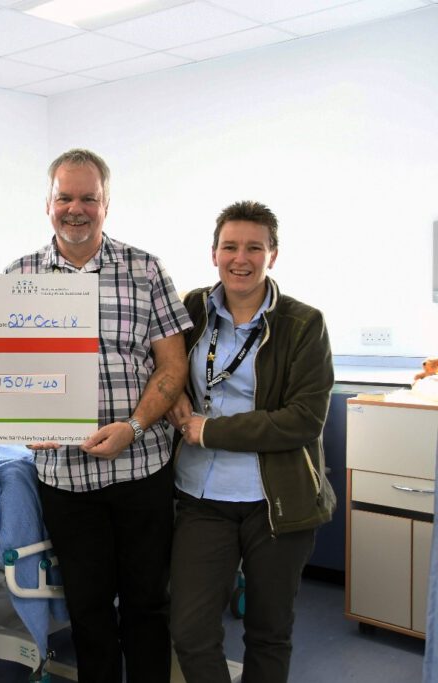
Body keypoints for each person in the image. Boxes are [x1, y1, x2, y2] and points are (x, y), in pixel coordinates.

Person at [5, 149, 190, 682]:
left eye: (89, 198)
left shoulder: (145, 269)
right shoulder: (19, 275)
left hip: (142, 472)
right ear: (48, 204)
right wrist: (21, 423)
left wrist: (133, 428)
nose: (76, 209)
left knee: (147, 606)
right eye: (65, 197)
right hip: (66, 478)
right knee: (87, 613)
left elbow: (172, 364)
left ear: (107, 203)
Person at [167, 201, 335, 683]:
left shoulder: (304, 324)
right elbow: (160, 362)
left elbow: (304, 419)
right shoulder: (191, 308)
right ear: (214, 252)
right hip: (201, 496)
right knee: (191, 631)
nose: (241, 258)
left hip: (276, 501)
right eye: (230, 246)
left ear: (272, 255)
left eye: (254, 248)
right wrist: (176, 389)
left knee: (268, 631)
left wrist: (210, 430)